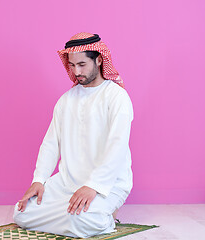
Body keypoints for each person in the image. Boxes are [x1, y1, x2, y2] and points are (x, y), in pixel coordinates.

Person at [13, 32, 134, 238]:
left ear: (98, 59)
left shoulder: (117, 97)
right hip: (67, 182)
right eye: (71, 65)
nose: (76, 71)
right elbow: (51, 143)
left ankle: (102, 216)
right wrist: (39, 180)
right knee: (21, 213)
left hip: (108, 183)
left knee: (82, 220)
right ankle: (73, 214)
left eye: (82, 64)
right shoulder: (66, 100)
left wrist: (93, 186)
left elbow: (117, 147)